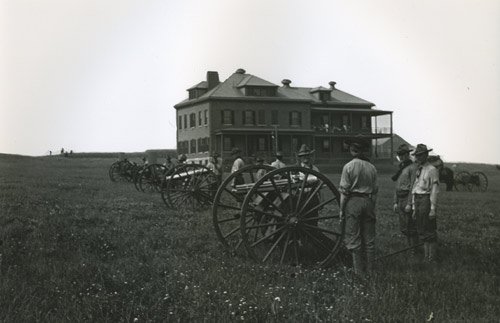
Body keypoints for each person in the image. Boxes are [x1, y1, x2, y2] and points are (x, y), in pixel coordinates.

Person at [339, 137, 378, 276]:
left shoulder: (348, 167)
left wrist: (341, 210)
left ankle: (359, 273)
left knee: (354, 237)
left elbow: (344, 191)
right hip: (368, 201)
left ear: (352, 150)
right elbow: (375, 190)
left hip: (353, 201)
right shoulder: (372, 167)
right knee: (369, 239)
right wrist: (371, 206)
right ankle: (371, 271)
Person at [410, 144, 440, 263]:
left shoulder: (432, 170)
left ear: (426, 155)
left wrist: (432, 208)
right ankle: (426, 256)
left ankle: (431, 257)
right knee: (421, 227)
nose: (418, 158)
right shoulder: (418, 169)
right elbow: (415, 187)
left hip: (426, 199)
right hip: (417, 199)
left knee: (429, 228)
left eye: (421, 155)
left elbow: (434, 190)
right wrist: (413, 207)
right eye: (417, 155)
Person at [391, 144, 419, 255]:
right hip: (400, 199)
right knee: (404, 227)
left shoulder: (413, 167)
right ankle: (409, 248)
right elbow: (397, 186)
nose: (401, 157)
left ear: (408, 154)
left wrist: (409, 203)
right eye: (399, 155)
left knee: (411, 226)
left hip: (407, 198)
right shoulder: (401, 168)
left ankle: (414, 250)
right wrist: (395, 201)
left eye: (403, 154)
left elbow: (413, 186)